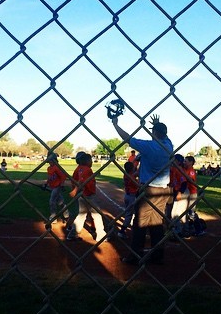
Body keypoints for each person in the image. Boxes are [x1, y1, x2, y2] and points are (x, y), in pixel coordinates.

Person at [112, 112, 173, 266]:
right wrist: (157, 125)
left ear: (155, 133)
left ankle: (134, 256)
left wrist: (115, 124)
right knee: (156, 225)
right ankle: (157, 255)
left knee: (140, 224)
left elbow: (127, 138)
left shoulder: (149, 146)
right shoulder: (169, 145)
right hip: (163, 191)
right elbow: (161, 135)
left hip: (149, 190)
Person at [66, 152, 107, 243]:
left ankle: (72, 234)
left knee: (81, 215)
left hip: (82, 195)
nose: (91, 162)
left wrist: (76, 190)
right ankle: (101, 235)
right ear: (87, 161)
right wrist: (75, 190)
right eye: (90, 160)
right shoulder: (87, 169)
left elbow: (75, 179)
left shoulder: (79, 168)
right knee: (97, 215)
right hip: (88, 195)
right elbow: (81, 181)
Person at [43, 152, 70, 227]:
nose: (50, 162)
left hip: (57, 186)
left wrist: (61, 184)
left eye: (51, 161)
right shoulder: (49, 168)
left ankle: (53, 217)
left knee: (52, 201)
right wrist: (46, 184)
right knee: (60, 202)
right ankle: (67, 215)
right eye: (49, 161)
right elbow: (50, 178)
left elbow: (63, 176)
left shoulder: (57, 167)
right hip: (52, 186)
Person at [118, 160, 139, 239]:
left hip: (127, 195)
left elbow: (135, 174)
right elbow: (137, 185)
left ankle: (133, 227)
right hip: (132, 197)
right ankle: (122, 231)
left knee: (132, 212)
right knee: (129, 215)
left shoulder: (126, 174)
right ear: (131, 169)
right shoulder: (131, 176)